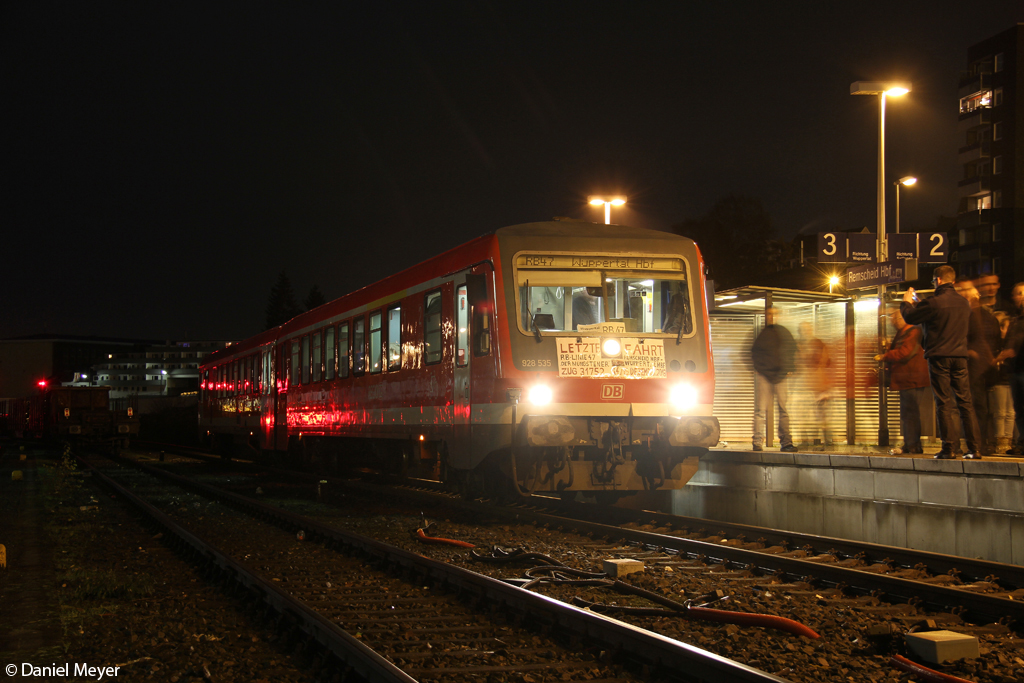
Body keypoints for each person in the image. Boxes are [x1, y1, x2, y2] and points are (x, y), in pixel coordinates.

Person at [902, 265, 984, 459]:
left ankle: (949, 448)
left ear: (938, 280)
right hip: (960, 357)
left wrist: (906, 302)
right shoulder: (964, 303)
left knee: (944, 402)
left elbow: (910, 316)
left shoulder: (934, 303)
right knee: (965, 402)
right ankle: (975, 448)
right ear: (952, 281)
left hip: (939, 357)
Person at [875, 309, 929, 453]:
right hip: (907, 379)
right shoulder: (906, 332)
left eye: (894, 318)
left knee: (910, 413)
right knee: (908, 414)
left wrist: (885, 356)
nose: (892, 321)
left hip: (911, 378)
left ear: (901, 318)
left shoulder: (912, 331)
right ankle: (911, 444)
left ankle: (912, 445)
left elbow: (905, 352)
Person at [955, 280, 1000, 452]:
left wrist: (971, 352)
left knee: (975, 407)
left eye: (965, 290)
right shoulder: (980, 315)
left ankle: (978, 443)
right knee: (979, 407)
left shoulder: (972, 315)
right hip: (979, 367)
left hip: (976, 368)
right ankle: (980, 443)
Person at [750, 307, 797, 452]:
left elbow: (792, 350)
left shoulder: (781, 332)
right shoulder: (764, 334)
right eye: (769, 314)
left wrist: (789, 368)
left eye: (774, 314)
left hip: (778, 375)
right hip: (766, 375)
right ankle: (758, 442)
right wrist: (759, 369)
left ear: (778, 316)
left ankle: (786, 442)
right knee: (761, 410)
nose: (771, 316)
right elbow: (755, 353)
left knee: (781, 410)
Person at [994, 282, 1024, 455]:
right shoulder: (1015, 320)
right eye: (1015, 294)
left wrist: (1011, 351)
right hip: (1015, 370)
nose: (1017, 297)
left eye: (1020, 293)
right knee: (1019, 410)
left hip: (1020, 368)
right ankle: (1021, 442)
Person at [797, 322, 832, 447]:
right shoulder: (802, 345)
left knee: (820, 415)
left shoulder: (815, 344)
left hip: (817, 385)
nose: (805, 332)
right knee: (806, 415)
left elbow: (821, 361)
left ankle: (826, 440)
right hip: (808, 385)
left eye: (807, 329)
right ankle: (809, 440)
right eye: (803, 329)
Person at [988, 311, 1015, 453]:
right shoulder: (996, 344)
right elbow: (992, 361)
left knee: (1010, 412)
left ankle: (1008, 441)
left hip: (1009, 379)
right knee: (1000, 412)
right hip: (999, 381)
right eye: (1004, 327)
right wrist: (1000, 357)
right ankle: (999, 441)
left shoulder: (1012, 343)